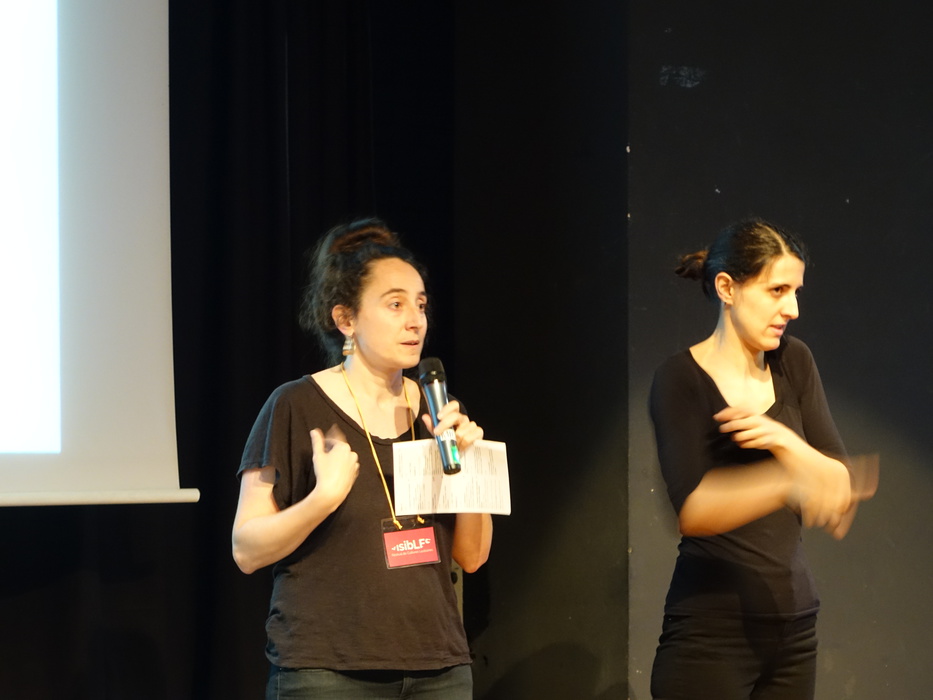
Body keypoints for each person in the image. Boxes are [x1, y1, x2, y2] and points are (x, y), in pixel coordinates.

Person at [232, 218, 493, 699]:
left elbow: (472, 557)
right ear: (346, 320)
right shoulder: (295, 405)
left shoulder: (438, 409)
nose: (415, 321)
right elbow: (246, 550)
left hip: (438, 667)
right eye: (395, 304)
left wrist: (469, 466)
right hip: (328, 671)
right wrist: (321, 500)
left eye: (420, 305)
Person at [648, 218, 875, 700]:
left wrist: (787, 445)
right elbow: (694, 511)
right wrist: (788, 480)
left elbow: (838, 482)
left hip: (794, 630)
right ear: (727, 288)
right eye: (777, 291)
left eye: (795, 292)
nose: (792, 308)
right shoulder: (679, 379)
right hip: (712, 634)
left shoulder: (794, 362)